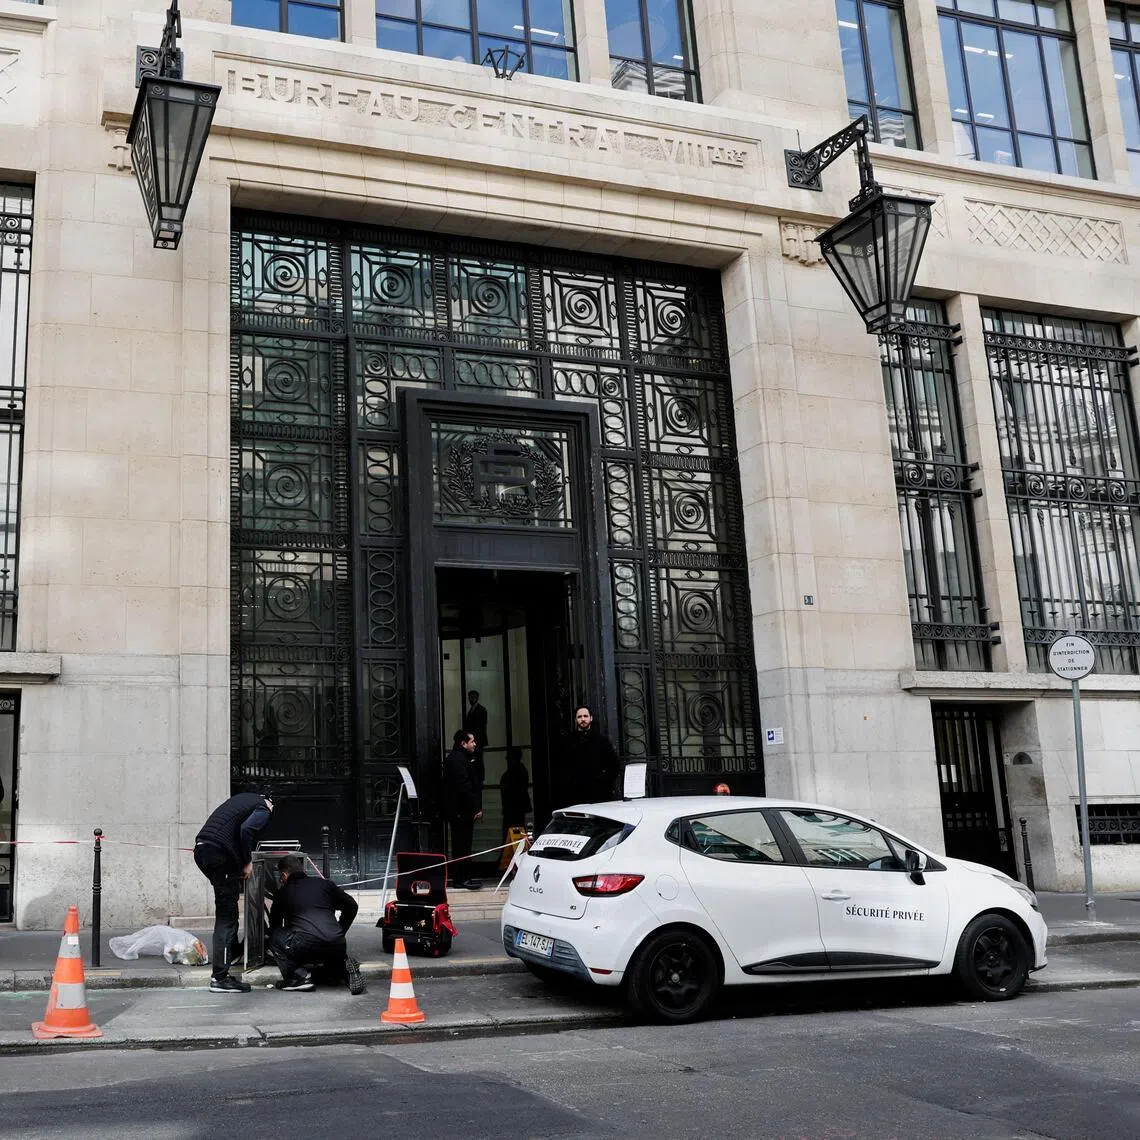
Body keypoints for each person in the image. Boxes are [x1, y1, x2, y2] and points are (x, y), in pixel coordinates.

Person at [193, 789, 274, 993]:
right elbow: (247, 830)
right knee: (227, 916)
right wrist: (247, 862)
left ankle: (233, 952)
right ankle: (220, 978)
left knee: (226, 905)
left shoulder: (242, 800)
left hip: (203, 849)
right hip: (219, 855)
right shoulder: (264, 807)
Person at [267, 854, 364, 994]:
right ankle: (343, 971)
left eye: (281, 878)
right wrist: (340, 930)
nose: (281, 881)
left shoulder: (284, 892)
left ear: (284, 875)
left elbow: (275, 923)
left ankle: (298, 978)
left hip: (305, 946)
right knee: (330, 957)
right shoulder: (324, 884)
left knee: (275, 937)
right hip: (337, 943)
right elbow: (352, 905)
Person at [442, 729, 483, 890]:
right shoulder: (459, 759)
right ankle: (461, 878)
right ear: (463, 743)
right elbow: (464, 786)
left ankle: (464, 877)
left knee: (464, 845)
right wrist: (475, 808)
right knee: (462, 845)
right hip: (461, 811)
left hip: (461, 811)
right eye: (472, 741)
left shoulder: (460, 758)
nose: (474, 744)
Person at [561, 705, 619, 806]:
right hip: (574, 795)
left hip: (598, 795)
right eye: (579, 717)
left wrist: (603, 782)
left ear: (591, 718)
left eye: (585, 716)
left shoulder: (601, 741)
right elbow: (561, 766)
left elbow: (614, 765)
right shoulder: (567, 741)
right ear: (575, 719)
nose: (583, 719)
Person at [500, 746, 532, 833]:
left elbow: (512, 789)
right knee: (517, 828)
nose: (506, 758)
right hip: (515, 806)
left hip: (513, 807)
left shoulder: (515, 771)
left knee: (513, 829)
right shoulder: (520, 770)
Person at [462, 690, 488, 794]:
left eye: (473, 697)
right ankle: (478, 779)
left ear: (477, 697)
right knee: (477, 760)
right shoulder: (474, 709)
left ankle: (479, 779)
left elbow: (480, 728)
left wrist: (474, 741)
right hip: (475, 741)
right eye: (470, 697)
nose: (471, 699)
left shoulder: (480, 710)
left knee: (478, 760)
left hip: (477, 741)